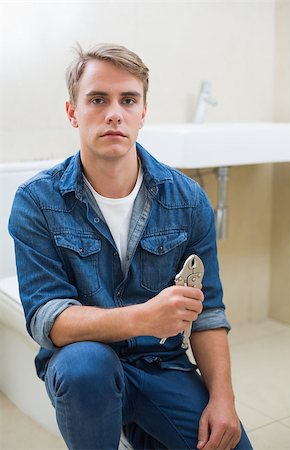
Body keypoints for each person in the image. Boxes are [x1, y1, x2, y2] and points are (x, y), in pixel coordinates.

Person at [9, 43, 252, 450]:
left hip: (162, 365)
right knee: (87, 368)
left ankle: (139, 427)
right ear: (73, 112)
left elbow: (208, 311)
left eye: (128, 100)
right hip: (83, 364)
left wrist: (223, 400)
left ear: (143, 112)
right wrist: (144, 318)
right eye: (98, 99)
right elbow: (48, 320)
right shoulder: (37, 201)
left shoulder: (188, 200)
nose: (114, 113)